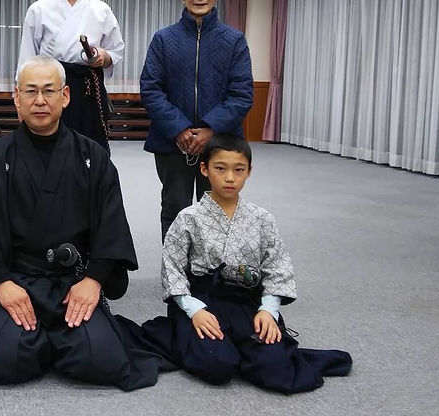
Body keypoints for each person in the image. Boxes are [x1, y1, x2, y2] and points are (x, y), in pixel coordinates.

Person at [0, 55, 159, 391]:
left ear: (66, 96)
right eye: (30, 91)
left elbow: (112, 226)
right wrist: (1, 282)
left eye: (49, 90)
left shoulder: (93, 157)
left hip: (71, 281)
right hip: (16, 280)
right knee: (4, 359)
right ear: (17, 98)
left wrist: (93, 281)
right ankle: (45, 338)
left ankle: (49, 339)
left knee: (101, 360)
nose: (40, 100)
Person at [138, 134, 352, 393]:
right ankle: (190, 334)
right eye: (220, 168)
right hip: (203, 299)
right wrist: (194, 310)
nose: (229, 177)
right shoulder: (188, 218)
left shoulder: (262, 218)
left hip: (246, 302)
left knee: (276, 368)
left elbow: (278, 267)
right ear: (204, 169)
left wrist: (268, 310)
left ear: (249, 171)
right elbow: (172, 268)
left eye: (238, 170)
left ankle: (239, 346)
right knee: (216, 365)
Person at [140, 0, 253, 241]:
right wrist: (179, 128)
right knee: (174, 207)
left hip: (221, 141)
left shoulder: (234, 40)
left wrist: (210, 130)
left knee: (217, 207)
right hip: (172, 142)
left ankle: (213, 266)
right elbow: (151, 89)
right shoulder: (164, 39)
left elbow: (242, 93)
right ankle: (175, 266)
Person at [18, 0, 124, 153]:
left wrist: (102, 56)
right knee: (48, 148)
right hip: (49, 86)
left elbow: (115, 51)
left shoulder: (101, 10)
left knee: (89, 150)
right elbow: (27, 59)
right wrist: (21, 98)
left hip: (87, 87)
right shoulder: (39, 9)